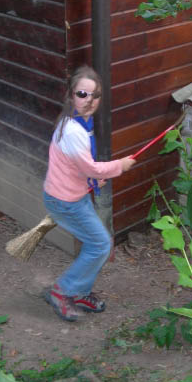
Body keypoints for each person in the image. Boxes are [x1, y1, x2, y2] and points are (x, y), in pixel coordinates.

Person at [42, 65, 136, 322]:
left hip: (74, 195)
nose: (89, 101)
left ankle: (79, 291)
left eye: (95, 96)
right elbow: (90, 167)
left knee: (98, 244)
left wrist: (92, 181)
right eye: (82, 94)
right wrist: (120, 166)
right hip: (64, 201)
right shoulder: (73, 131)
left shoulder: (80, 122)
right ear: (71, 94)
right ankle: (62, 291)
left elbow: (77, 166)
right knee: (100, 245)